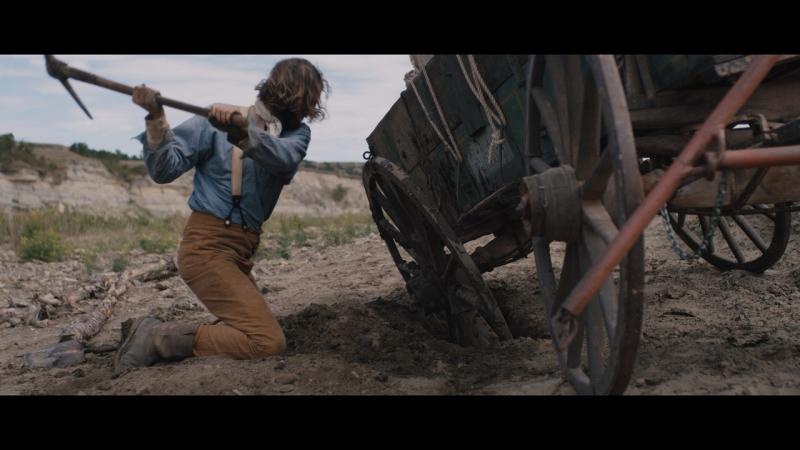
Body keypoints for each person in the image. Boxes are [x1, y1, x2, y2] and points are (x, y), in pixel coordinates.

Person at [113, 58, 329, 377]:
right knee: (266, 342)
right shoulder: (209, 121)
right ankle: (156, 337)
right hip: (206, 248)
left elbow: (283, 160)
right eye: (305, 100)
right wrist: (156, 118)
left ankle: (165, 333)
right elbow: (163, 170)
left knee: (242, 326)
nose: (305, 109)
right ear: (284, 93)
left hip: (240, 251)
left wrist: (242, 132)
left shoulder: (296, 135)